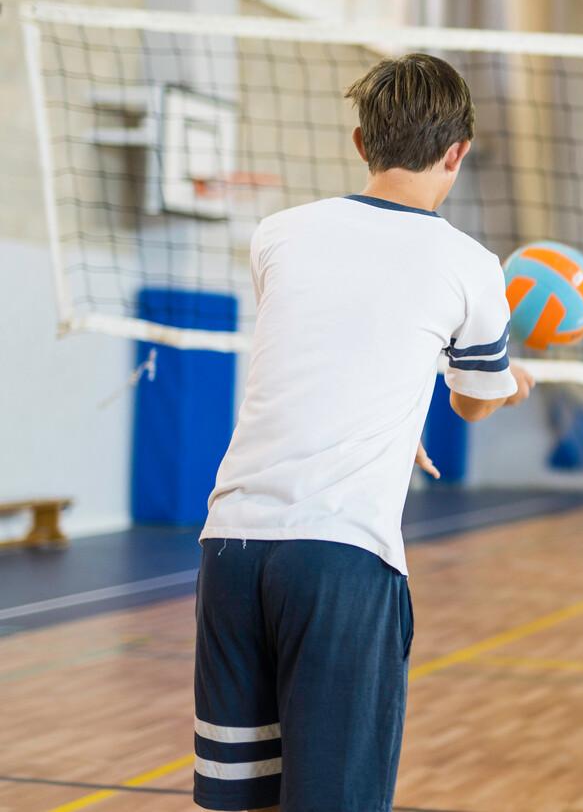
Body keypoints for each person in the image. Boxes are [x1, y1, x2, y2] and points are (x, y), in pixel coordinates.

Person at [193, 54, 534, 812]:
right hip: (342, 560)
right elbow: (472, 404)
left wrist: (394, 411)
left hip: (231, 550)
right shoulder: (472, 266)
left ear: (360, 143)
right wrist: (509, 385)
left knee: (239, 802)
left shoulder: (277, 234)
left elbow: (323, 350)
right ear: (458, 153)